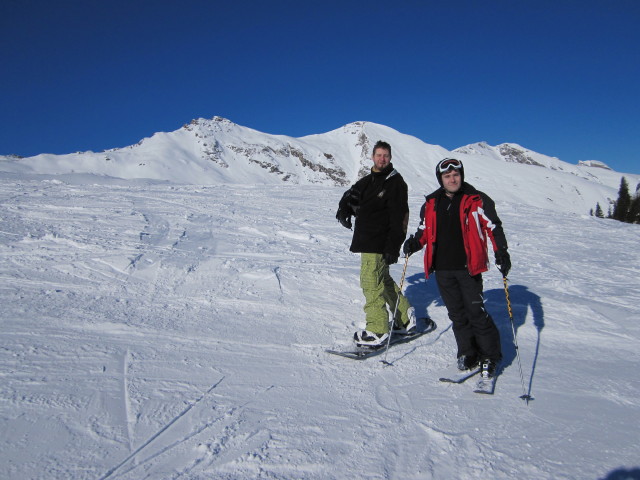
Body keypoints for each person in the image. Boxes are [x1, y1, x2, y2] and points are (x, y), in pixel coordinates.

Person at [403, 158, 511, 379]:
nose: (452, 179)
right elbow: (424, 229)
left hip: (468, 268)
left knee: (476, 313)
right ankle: (468, 352)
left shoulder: (477, 200)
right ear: (441, 179)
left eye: (456, 175)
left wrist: (501, 252)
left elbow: (493, 227)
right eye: (447, 176)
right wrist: (415, 242)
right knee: (457, 315)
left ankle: (490, 355)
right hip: (442, 269)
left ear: (461, 176)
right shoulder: (431, 203)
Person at [336, 140, 416, 347]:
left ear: (390, 158)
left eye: (386, 156)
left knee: (371, 282)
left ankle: (378, 328)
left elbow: (400, 219)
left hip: (380, 242)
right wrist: (343, 210)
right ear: (372, 157)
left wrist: (393, 247)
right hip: (367, 240)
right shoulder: (368, 180)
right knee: (383, 280)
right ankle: (405, 317)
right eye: (379, 155)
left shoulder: (396, 182)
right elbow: (350, 195)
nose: (382, 159)